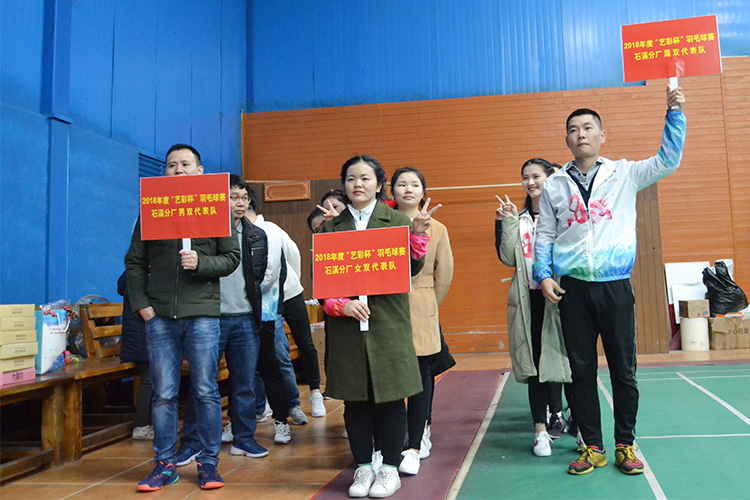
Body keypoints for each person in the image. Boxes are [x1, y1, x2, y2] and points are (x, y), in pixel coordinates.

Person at [533, 87, 687, 475]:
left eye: (588, 128)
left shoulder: (624, 173)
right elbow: (545, 234)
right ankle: (593, 447)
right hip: (572, 290)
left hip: (615, 287)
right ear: (566, 140)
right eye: (573, 129)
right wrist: (544, 274)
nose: (580, 134)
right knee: (581, 372)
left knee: (623, 371)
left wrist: (675, 114)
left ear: (603, 135)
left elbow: (668, 160)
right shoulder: (555, 184)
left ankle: (624, 444)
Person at [126, 144, 240, 491]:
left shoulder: (215, 209)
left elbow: (231, 257)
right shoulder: (152, 210)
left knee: (205, 391)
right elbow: (134, 262)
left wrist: (201, 263)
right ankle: (164, 463)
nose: (178, 170)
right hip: (159, 316)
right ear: (164, 172)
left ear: (200, 171)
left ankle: (208, 463)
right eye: (171, 165)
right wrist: (142, 304)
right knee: (163, 393)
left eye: (186, 164)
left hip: (202, 314)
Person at [321, 155, 436, 498]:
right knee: (355, 400)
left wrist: (417, 236)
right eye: (351, 178)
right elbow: (323, 284)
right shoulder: (330, 227)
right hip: (347, 329)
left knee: (390, 398)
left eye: (365, 178)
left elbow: (411, 270)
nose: (357, 184)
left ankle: (389, 468)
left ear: (379, 184)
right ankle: (362, 467)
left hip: (387, 323)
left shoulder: (396, 221)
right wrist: (342, 305)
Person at [176, 175, 281, 466]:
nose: (239, 203)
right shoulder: (204, 230)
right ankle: (193, 442)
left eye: (243, 197)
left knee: (245, 383)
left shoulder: (256, 235)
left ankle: (244, 438)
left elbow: (258, 276)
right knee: (203, 384)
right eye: (232, 197)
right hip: (210, 317)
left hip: (245, 317)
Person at [495, 158, 571, 458]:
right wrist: (508, 221)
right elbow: (507, 258)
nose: (530, 182)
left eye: (536, 176)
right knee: (535, 366)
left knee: (569, 363)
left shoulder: (564, 215)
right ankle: (540, 431)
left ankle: (576, 424)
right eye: (525, 177)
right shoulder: (520, 219)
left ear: (550, 178)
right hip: (530, 299)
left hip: (562, 297)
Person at [390, 167, 454, 476]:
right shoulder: (383, 225)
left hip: (422, 305)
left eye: (414, 184)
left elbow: (444, 274)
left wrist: (427, 302)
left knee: (421, 374)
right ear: (391, 190)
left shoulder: (437, 228)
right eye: (401, 184)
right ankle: (395, 434)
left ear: (423, 191)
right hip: (388, 309)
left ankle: (420, 433)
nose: (408, 189)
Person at [117, 270, 153, 441]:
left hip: (137, 339)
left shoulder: (129, 277)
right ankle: (141, 426)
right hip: (142, 339)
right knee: (148, 380)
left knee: (150, 380)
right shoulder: (138, 279)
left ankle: (149, 423)